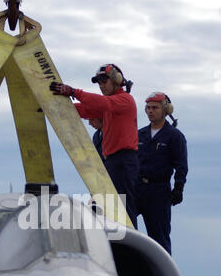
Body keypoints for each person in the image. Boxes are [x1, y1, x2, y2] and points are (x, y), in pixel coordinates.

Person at [50, 64, 139, 228]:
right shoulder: (109, 105)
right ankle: (121, 246)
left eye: (104, 81)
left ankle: (131, 246)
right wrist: (52, 106)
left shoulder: (125, 100)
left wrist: (73, 92)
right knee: (112, 209)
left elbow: (99, 103)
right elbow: (84, 109)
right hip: (114, 163)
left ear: (116, 80)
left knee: (124, 209)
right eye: (99, 82)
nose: (101, 85)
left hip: (123, 162)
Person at [136, 92, 188, 255]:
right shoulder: (139, 134)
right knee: (123, 227)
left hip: (158, 193)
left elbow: (181, 166)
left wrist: (178, 188)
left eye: (155, 108)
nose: (151, 111)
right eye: (148, 108)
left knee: (159, 240)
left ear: (166, 110)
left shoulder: (174, 136)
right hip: (137, 189)